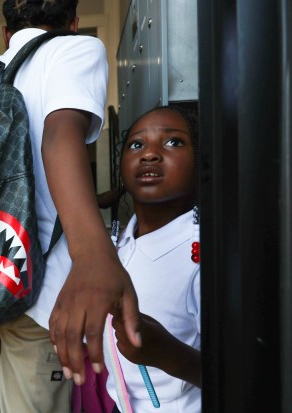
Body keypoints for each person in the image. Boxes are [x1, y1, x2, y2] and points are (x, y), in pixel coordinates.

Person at [0, 1, 141, 411]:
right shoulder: (74, 49)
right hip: (38, 288)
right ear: (73, 24)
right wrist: (92, 253)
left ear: (6, 33)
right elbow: (59, 137)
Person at [104, 106, 201, 412]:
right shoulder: (116, 245)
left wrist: (167, 354)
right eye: (137, 144)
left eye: (173, 142)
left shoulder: (199, 255)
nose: (150, 154)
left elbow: (240, 374)